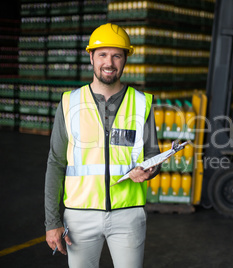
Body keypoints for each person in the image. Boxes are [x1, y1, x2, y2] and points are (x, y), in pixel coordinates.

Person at [44, 23, 161, 267]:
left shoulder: (142, 103)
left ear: (125, 59)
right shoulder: (69, 103)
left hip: (128, 214)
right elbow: (56, 162)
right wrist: (52, 222)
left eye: (117, 55)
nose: (109, 62)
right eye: (103, 55)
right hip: (79, 215)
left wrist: (150, 170)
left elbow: (152, 154)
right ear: (91, 57)